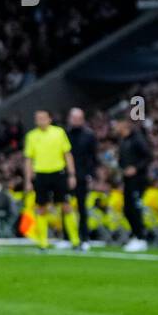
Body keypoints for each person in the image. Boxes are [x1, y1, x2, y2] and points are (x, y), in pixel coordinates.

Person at [23, 110, 79, 250]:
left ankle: (75, 240)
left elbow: (67, 154)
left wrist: (72, 174)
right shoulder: (31, 136)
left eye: (43, 117)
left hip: (58, 173)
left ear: (50, 119)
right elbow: (28, 159)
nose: (40, 120)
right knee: (41, 208)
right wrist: (28, 180)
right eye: (38, 118)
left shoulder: (59, 132)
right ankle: (43, 242)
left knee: (66, 206)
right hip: (41, 174)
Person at [116, 118, 152, 251]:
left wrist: (136, 168)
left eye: (118, 124)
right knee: (127, 209)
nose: (115, 127)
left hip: (138, 180)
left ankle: (141, 238)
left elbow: (148, 156)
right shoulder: (123, 140)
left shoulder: (137, 138)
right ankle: (136, 235)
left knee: (135, 208)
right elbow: (122, 159)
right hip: (127, 180)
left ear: (124, 124)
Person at [66, 107, 97, 249]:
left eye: (78, 118)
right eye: (74, 118)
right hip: (67, 176)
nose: (76, 120)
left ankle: (84, 238)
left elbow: (93, 157)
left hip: (82, 176)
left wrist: (91, 174)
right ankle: (67, 237)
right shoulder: (64, 134)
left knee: (81, 207)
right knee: (65, 206)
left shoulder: (89, 135)